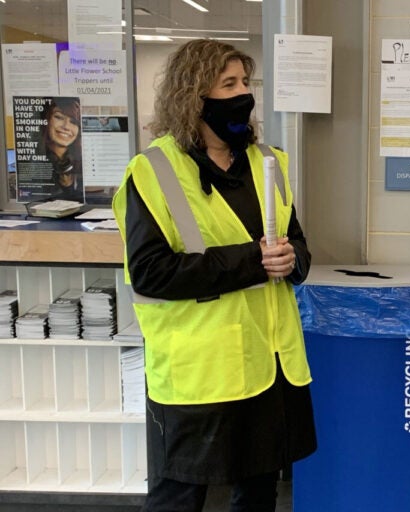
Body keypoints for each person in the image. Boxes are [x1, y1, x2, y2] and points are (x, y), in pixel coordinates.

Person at [112, 39, 316, 512]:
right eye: (229, 84)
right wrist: (253, 261)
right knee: (179, 496)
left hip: (269, 364)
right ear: (193, 96)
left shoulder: (269, 163)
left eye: (245, 83)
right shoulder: (154, 170)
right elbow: (150, 272)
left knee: (259, 492)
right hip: (198, 372)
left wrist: (293, 261)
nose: (243, 93)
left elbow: (296, 243)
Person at [38, 98, 83, 201]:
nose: (66, 127)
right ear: (47, 120)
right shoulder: (38, 163)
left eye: (73, 122)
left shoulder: (81, 163)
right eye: (59, 117)